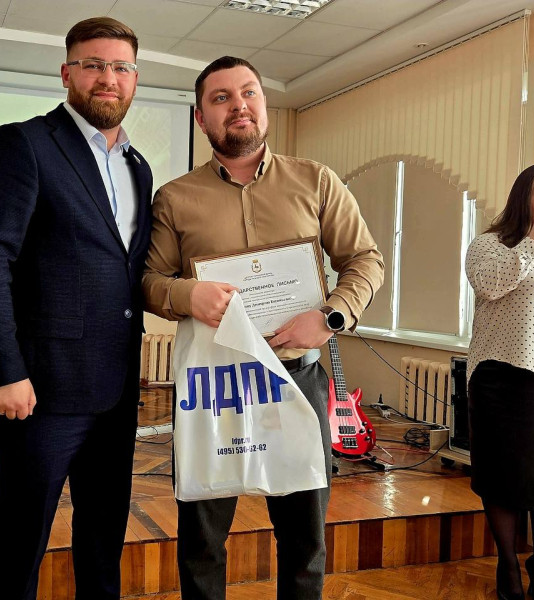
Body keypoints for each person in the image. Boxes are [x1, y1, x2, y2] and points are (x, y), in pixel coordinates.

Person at [142, 56, 384, 600]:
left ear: (264, 104)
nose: (238, 106)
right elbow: (149, 281)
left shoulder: (316, 180)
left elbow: (365, 260)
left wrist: (331, 315)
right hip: (214, 386)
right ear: (200, 117)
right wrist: (187, 294)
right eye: (221, 97)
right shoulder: (175, 198)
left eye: (248, 92)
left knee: (304, 540)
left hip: (297, 380)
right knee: (201, 540)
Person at [0, 17, 153, 600]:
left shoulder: (138, 167)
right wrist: (1, 370)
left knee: (104, 537)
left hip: (117, 388)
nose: (107, 78)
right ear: (67, 73)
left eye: (120, 67)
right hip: (41, 390)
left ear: (134, 78)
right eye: (93, 65)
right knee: (21, 539)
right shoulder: (25, 144)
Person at [465, 165, 534, 600]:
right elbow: (491, 286)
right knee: (501, 477)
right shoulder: (488, 245)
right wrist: (532, 240)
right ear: (523, 196)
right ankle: (508, 567)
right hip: (501, 376)